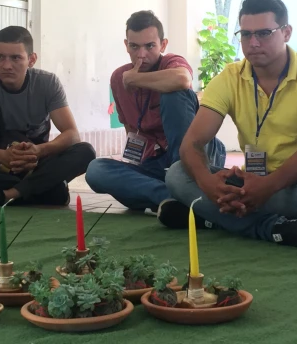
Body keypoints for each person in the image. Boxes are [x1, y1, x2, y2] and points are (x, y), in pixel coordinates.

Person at [162, 0, 297, 249]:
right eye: (246, 34)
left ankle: (212, 218)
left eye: (264, 33)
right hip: (252, 186)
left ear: (287, 32)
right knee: (178, 174)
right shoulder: (230, 77)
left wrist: (268, 186)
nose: (253, 43)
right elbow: (192, 143)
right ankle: (274, 229)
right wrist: (208, 184)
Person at [85, 11, 225, 213]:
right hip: (155, 164)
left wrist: (134, 79)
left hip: (195, 157)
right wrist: (133, 171)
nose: (141, 54)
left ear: (163, 45)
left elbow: (182, 80)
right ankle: (176, 198)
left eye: (150, 46)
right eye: (134, 46)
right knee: (96, 170)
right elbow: (130, 129)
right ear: (126, 45)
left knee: (173, 92)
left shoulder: (171, 63)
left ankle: (180, 185)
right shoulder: (118, 78)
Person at [0, 26, 95, 206]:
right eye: (0, 57)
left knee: (85, 152)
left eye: (15, 58)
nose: (7, 65)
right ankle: (46, 191)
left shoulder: (48, 83)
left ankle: (4, 195)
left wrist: (39, 151)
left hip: (35, 165)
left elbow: (71, 134)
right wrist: (1, 156)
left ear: (31, 59)